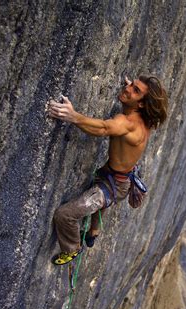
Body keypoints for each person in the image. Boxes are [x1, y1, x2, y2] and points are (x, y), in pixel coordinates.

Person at [47, 75, 168, 265]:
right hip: (118, 178)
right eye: (131, 85)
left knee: (64, 215)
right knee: (102, 199)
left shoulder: (128, 124)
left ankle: (72, 249)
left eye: (135, 91)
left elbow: (104, 128)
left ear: (142, 104)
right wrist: (132, 89)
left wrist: (73, 116)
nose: (128, 89)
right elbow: (133, 104)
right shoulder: (146, 120)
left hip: (114, 186)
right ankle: (93, 232)